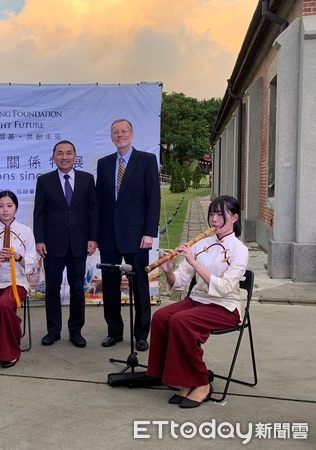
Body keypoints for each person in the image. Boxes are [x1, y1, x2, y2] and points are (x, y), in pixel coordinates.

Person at [146, 195, 249, 408]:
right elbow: (180, 280)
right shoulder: (202, 242)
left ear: (234, 218)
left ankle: (201, 382)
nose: (214, 219)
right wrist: (167, 271)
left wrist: (193, 261)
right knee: (161, 317)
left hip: (224, 306)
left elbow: (224, 288)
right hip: (198, 300)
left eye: (221, 214)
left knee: (180, 321)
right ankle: (181, 379)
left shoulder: (240, 250)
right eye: (212, 214)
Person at [96, 119, 160, 351]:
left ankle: (141, 333)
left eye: (124, 131)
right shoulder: (103, 164)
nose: (120, 135)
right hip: (109, 237)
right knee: (110, 287)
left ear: (132, 134)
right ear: (111, 137)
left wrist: (149, 232)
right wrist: (96, 235)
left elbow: (153, 198)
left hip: (137, 236)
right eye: (116, 132)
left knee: (140, 287)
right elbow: (99, 203)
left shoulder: (147, 160)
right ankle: (114, 332)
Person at [33, 140, 99, 348]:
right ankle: (53, 331)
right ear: (53, 157)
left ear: (75, 156)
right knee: (52, 288)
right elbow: (39, 213)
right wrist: (40, 240)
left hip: (79, 244)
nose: (64, 157)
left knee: (78, 288)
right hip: (52, 245)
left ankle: (76, 331)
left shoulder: (87, 180)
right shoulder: (45, 181)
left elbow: (93, 211)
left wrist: (93, 238)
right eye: (60, 153)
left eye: (68, 153)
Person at [0, 191, 38, 368]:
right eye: (1, 206)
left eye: (9, 206)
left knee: (4, 305)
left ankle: (8, 353)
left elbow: (32, 261)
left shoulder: (26, 231)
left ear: (16, 208)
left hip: (17, 281)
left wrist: (18, 257)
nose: (5, 210)